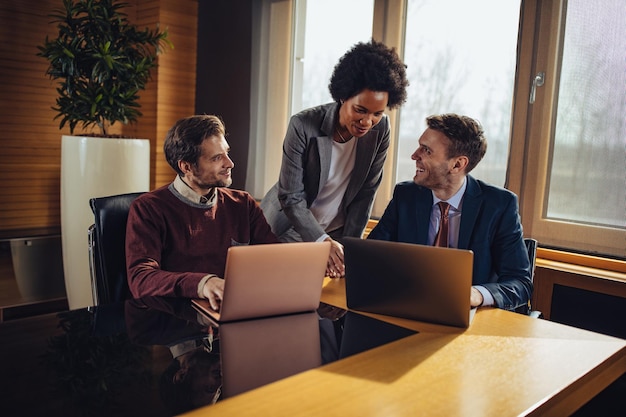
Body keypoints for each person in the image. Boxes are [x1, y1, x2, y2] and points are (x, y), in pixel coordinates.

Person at [260, 39, 409, 278]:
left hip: (336, 234)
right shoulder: (303, 125)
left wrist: (350, 249)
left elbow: (365, 194)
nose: (368, 122)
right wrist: (320, 240)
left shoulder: (381, 131)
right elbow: (291, 196)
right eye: (360, 110)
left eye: (377, 113)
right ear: (342, 96)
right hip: (289, 228)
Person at [367, 114, 533, 311]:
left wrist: (477, 294)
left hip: (467, 320)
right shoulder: (406, 195)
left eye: (426, 150)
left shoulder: (499, 205)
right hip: (409, 309)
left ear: (457, 164)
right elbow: (370, 257)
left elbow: (520, 284)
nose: (414, 155)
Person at [126, 115, 278, 307]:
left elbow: (274, 259)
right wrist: (203, 283)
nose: (229, 163)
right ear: (186, 166)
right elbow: (141, 279)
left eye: (227, 153)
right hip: (175, 321)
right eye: (216, 158)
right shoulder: (148, 208)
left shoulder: (243, 204)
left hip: (233, 314)